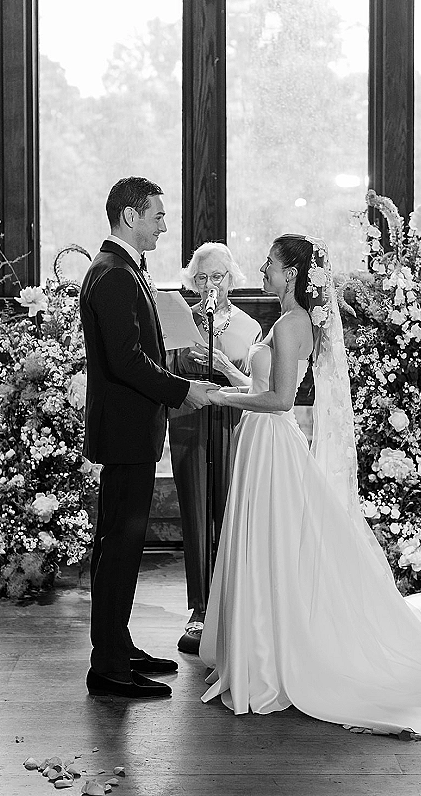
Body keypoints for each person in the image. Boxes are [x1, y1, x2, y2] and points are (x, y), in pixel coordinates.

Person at [199, 233, 421, 733]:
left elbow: (281, 401)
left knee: (273, 544)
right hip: (259, 441)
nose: (262, 270)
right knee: (265, 544)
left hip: (271, 443)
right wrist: (228, 373)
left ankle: (272, 654)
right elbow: (263, 388)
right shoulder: (287, 320)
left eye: (269, 263)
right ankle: (256, 648)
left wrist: (219, 398)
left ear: (291, 273)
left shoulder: (291, 324)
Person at [80, 176, 217, 700]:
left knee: (119, 544)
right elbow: (127, 359)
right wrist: (183, 390)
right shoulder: (114, 273)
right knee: (119, 547)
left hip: (128, 429)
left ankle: (117, 646)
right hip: (125, 432)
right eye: (157, 215)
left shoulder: (121, 268)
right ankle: (109, 668)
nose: (163, 225)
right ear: (131, 216)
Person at [168, 243, 261, 654]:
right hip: (188, 422)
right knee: (195, 514)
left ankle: (232, 603)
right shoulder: (180, 321)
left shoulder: (249, 326)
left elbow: (257, 386)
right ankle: (200, 607)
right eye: (202, 277)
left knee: (230, 511)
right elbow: (164, 372)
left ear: (232, 280)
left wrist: (222, 365)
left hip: (232, 423)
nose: (210, 285)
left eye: (218, 277)